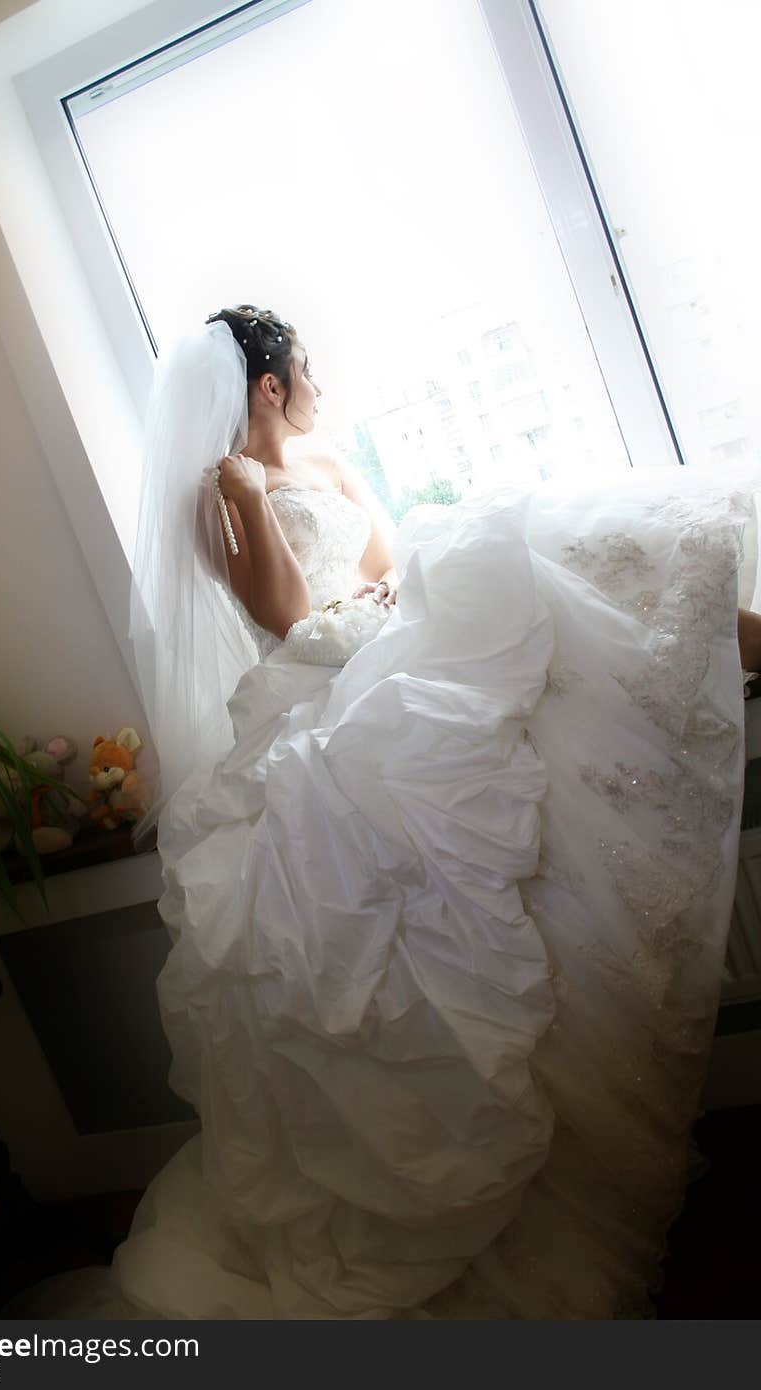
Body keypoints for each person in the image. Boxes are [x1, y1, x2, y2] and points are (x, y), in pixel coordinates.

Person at [82, 305, 759, 1320]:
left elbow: (379, 575)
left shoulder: (335, 463)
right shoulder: (221, 493)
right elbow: (279, 615)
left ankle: (717, 629)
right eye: (303, 369)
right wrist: (250, 498)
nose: (317, 386)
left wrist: (401, 597)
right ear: (267, 385)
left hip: (376, 638)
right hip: (316, 679)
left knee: (516, 558)